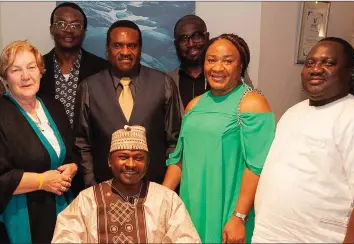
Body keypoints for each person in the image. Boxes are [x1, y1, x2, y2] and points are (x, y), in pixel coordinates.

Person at [253, 37, 354, 243]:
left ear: (349, 72)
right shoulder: (292, 113)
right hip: (268, 235)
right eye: (310, 63)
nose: (316, 69)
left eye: (328, 63)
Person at [162, 33, 276, 243]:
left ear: (241, 66)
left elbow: (257, 167)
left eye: (227, 61)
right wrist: (160, 202)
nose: (217, 68)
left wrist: (239, 216)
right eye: (211, 59)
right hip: (190, 206)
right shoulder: (194, 105)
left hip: (229, 211)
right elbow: (178, 160)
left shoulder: (252, 103)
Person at [0, 40, 78, 243]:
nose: (25, 76)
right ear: (5, 77)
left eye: (31, 67)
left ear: (41, 71)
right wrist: (43, 181)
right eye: (16, 70)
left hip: (59, 209)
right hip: (19, 215)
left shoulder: (54, 107)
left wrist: (72, 167)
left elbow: (70, 153)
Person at [74, 20, 182, 189]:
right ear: (107, 50)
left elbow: (174, 142)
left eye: (132, 46)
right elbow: (82, 144)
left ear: (140, 49)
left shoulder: (164, 84)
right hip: (104, 190)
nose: (125, 52)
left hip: (154, 189)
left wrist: (165, 190)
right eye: (118, 45)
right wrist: (92, 187)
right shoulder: (88, 87)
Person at [52, 125, 201, 243]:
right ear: (110, 161)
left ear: (147, 162)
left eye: (138, 158)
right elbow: (65, 237)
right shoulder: (87, 200)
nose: (131, 164)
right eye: (123, 157)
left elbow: (186, 238)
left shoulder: (167, 199)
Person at [40, 2, 108, 125]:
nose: (68, 30)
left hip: (89, 143)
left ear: (84, 32)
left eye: (75, 25)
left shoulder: (103, 70)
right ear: (51, 29)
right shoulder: (37, 68)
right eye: (61, 24)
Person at [167, 15, 210, 110]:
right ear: (176, 44)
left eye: (197, 36)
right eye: (184, 39)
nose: (191, 44)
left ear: (207, 37)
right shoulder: (167, 82)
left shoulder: (226, 76)